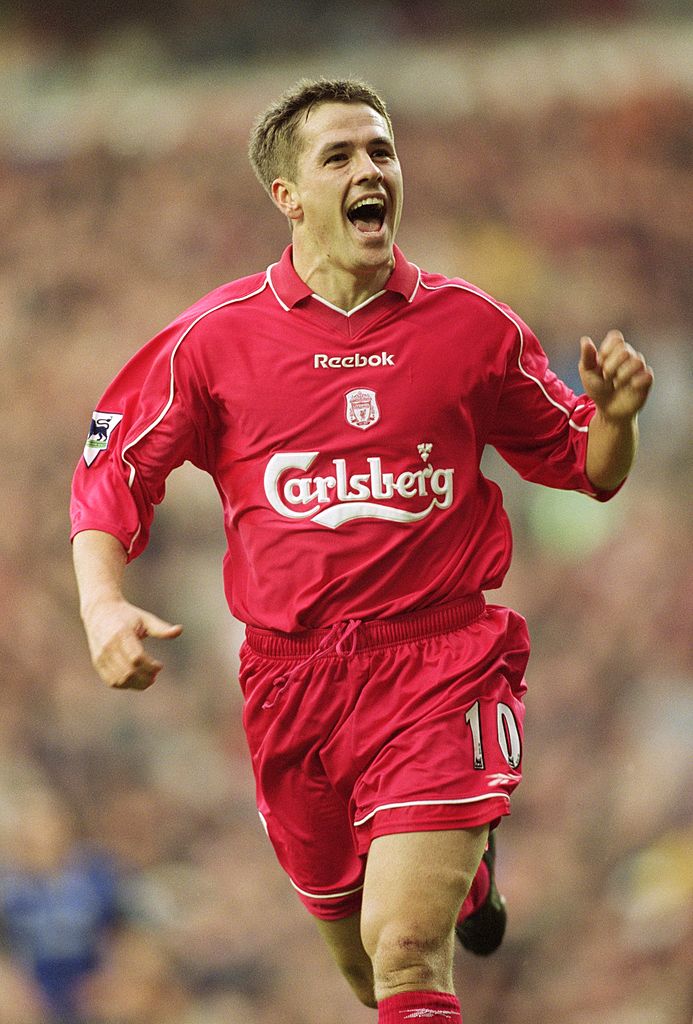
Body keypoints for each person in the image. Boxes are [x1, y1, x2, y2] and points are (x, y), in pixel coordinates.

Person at [70, 78, 653, 1022]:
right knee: (363, 970)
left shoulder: (472, 326)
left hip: (440, 664)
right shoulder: (213, 339)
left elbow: (585, 465)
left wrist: (616, 419)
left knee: (407, 950)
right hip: (290, 685)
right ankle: (467, 869)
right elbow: (111, 470)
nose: (368, 169)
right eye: (337, 156)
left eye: (380, 150)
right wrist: (102, 604)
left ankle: (450, 836)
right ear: (287, 196)